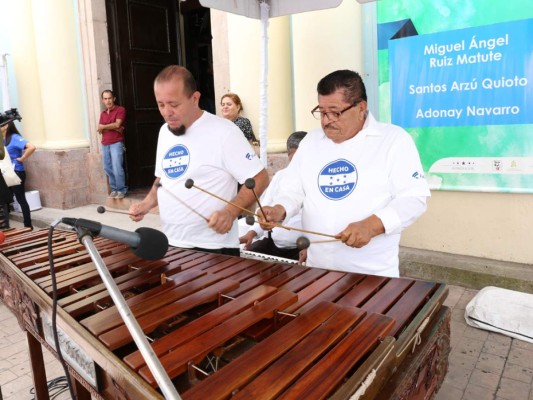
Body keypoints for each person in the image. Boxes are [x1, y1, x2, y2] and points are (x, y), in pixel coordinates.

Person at [258, 70, 430, 277]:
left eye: (335, 112)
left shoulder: (393, 140)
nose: (326, 121)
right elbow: (293, 190)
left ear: (361, 108)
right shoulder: (311, 142)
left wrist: (372, 225)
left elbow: (413, 199)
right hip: (317, 270)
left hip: (372, 274)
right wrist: (279, 209)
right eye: (322, 112)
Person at [129, 65, 269, 255]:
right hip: (171, 241)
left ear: (195, 98)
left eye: (174, 104)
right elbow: (164, 177)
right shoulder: (165, 132)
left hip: (212, 248)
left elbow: (259, 178)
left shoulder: (224, 132)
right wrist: (146, 204)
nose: (166, 112)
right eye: (161, 104)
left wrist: (230, 212)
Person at [240, 131, 307, 261]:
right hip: (273, 244)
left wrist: (313, 247)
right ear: (289, 155)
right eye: (295, 156)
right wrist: (252, 233)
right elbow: (265, 210)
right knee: (247, 262)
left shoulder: (315, 179)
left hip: (303, 248)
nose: (298, 161)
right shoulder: (280, 176)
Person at [1, 121, 35, 229]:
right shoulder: (1, 139)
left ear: (6, 126)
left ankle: (28, 225)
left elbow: (31, 147)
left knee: (21, 199)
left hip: (17, 172)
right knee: (5, 199)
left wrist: (22, 158)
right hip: (5, 174)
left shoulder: (14, 137)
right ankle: (7, 227)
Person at [98, 90, 127, 199]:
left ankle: (121, 190)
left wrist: (105, 127)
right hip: (105, 143)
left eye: (109, 98)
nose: (108, 101)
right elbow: (99, 130)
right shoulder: (103, 113)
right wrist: (113, 126)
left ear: (113, 98)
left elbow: (118, 124)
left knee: (117, 167)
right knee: (107, 167)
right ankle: (114, 189)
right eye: (105, 99)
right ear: (102, 100)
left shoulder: (120, 110)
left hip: (116, 142)